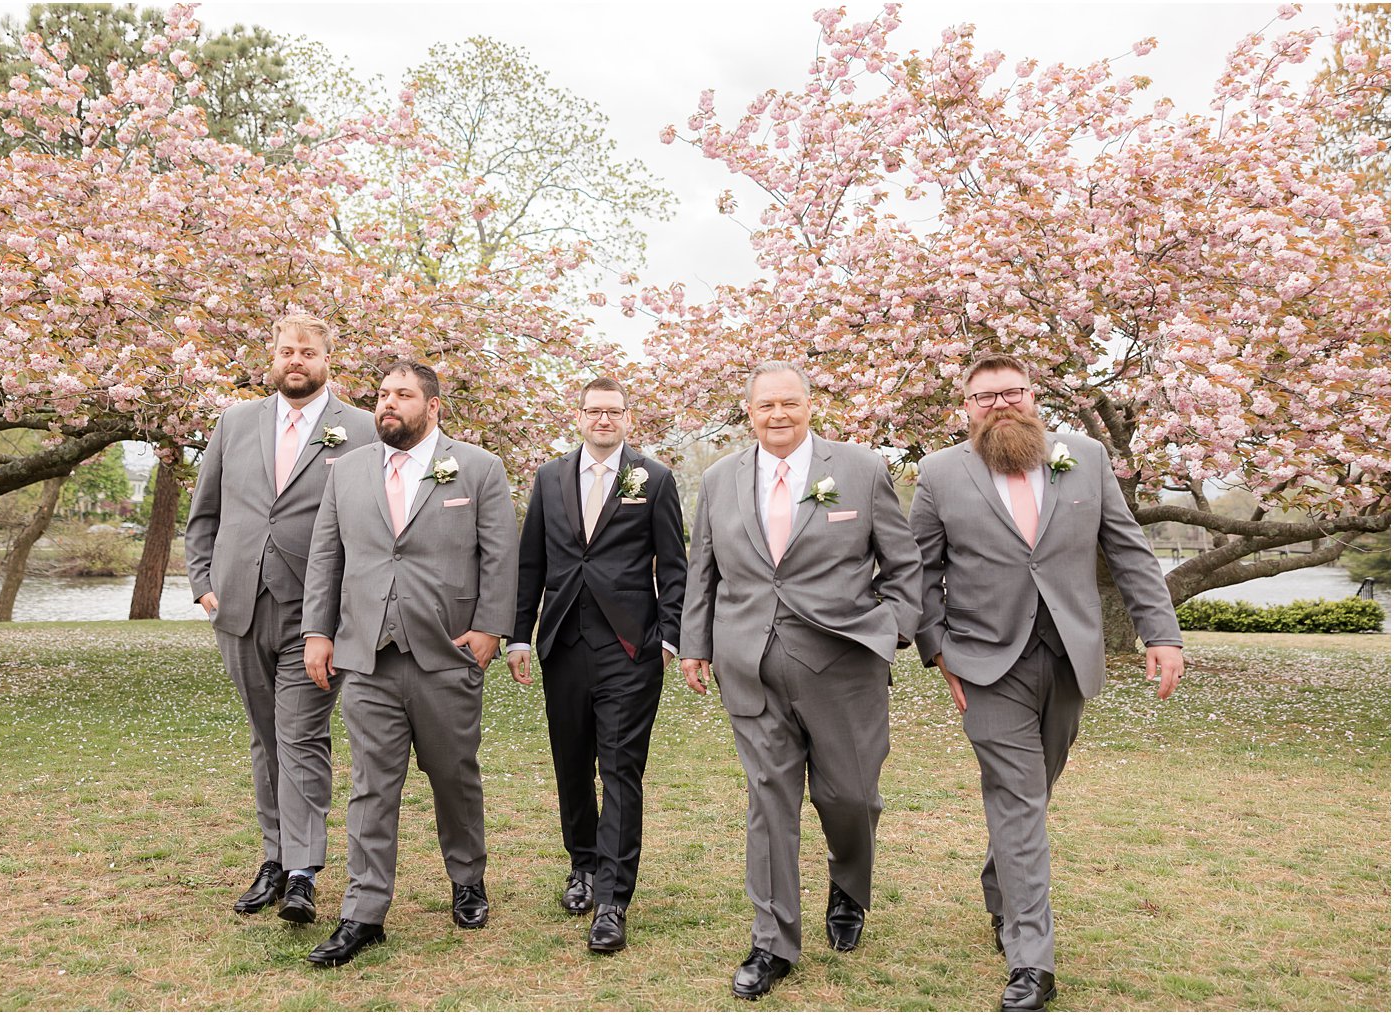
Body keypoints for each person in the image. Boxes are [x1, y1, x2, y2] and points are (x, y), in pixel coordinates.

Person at [910, 353, 1184, 1012]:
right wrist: (939, 652)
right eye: (984, 396)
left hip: (1068, 657)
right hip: (983, 661)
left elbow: (1127, 549)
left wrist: (1164, 633)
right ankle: (1032, 958)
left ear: (1033, 397)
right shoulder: (940, 473)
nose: (999, 403)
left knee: (1029, 794)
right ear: (966, 407)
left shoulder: (1085, 456)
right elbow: (918, 570)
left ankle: (1002, 882)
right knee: (1018, 796)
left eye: (1011, 391)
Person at [679, 361, 921, 1000]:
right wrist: (695, 644)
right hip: (749, 663)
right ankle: (772, 941)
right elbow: (702, 569)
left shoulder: (862, 471)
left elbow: (904, 564)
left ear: (810, 405)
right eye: (765, 407)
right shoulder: (719, 480)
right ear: (749, 412)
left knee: (850, 798)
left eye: (789, 403)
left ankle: (848, 888)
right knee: (769, 802)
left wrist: (890, 630)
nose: (778, 415)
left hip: (844, 666)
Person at [300, 361, 518, 967]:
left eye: (402, 395)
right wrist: (318, 632)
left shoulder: (478, 469)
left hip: (446, 654)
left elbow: (501, 557)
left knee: (454, 776)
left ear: (433, 405)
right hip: (366, 655)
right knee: (371, 786)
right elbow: (326, 557)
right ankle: (364, 913)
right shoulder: (347, 470)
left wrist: (489, 631)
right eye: (382, 395)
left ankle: (467, 879)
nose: (387, 404)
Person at [185, 313, 377, 925]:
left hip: (317, 614)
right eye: (287, 350)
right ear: (272, 356)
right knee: (266, 737)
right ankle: (274, 857)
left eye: (309, 352)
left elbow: (373, 522)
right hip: (238, 605)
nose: (297, 360)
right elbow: (204, 513)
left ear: (327, 360)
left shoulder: (363, 429)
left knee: (300, 736)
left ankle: (301, 871)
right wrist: (202, 584)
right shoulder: (234, 422)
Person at [507, 376, 687, 953]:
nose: (603, 420)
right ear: (578, 417)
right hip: (562, 643)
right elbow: (530, 561)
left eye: (614, 412)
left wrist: (670, 635)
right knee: (571, 765)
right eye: (594, 411)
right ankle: (582, 864)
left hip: (630, 648)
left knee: (620, 771)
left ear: (628, 419)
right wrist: (517, 635)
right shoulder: (550, 477)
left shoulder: (654, 479)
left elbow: (674, 565)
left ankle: (612, 899)